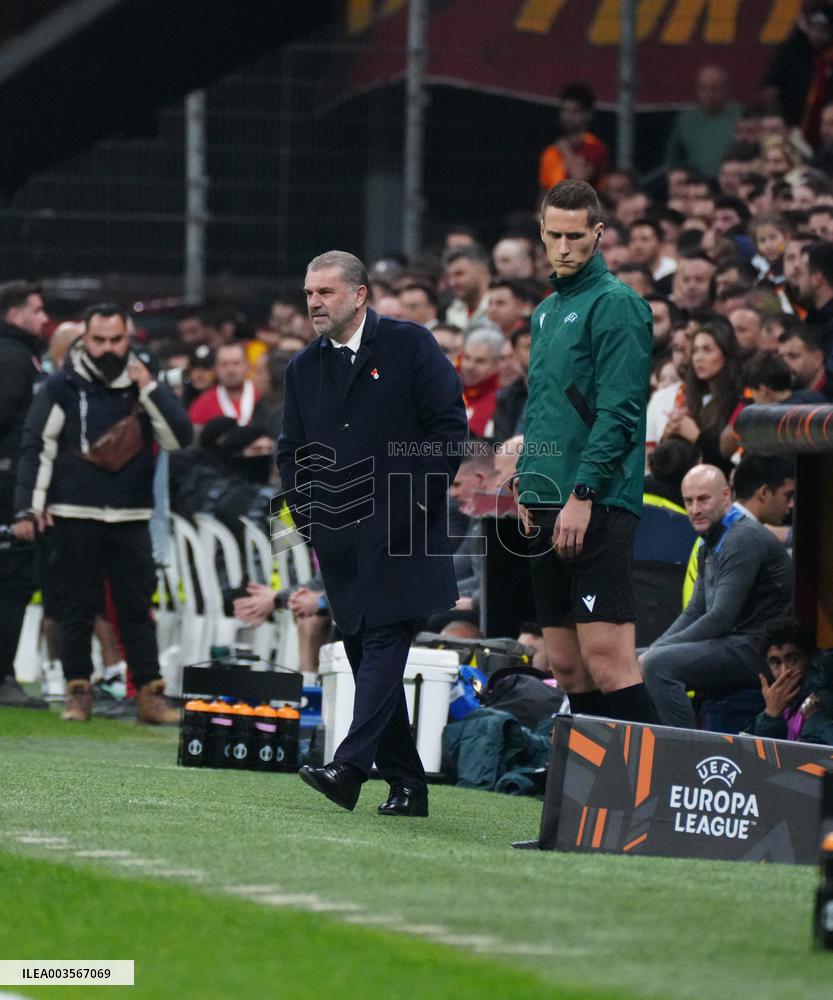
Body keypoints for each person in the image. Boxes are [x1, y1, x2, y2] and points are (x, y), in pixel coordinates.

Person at [279, 251, 467, 816]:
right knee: (368, 659)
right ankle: (409, 786)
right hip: (340, 539)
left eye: (326, 292)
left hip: (404, 532)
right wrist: (309, 519)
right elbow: (292, 452)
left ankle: (350, 767)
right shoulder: (302, 368)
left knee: (383, 643)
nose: (314, 303)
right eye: (309, 293)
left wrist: (416, 499)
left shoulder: (410, 344)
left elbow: (448, 429)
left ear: (360, 294)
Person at [514, 180, 659, 724]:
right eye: (554, 235)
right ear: (541, 232)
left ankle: (659, 774)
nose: (564, 247)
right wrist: (528, 478)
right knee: (569, 667)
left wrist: (582, 493)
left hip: (595, 501)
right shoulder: (546, 311)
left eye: (575, 236)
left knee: (608, 662)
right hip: (547, 498)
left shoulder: (618, 305)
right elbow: (543, 406)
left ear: (598, 234)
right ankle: (595, 779)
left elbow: (620, 412)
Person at [15, 303, 193, 723]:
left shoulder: (143, 381)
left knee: (137, 609)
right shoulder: (61, 386)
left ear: (128, 338)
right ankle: (78, 691)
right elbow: (36, 446)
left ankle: (150, 693)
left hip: (131, 514)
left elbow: (179, 438)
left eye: (116, 339)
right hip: (73, 512)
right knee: (75, 609)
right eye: (99, 340)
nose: (108, 348)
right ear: (85, 339)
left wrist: (149, 388)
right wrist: (28, 509)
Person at [641, 465, 793, 729]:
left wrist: (655, 653)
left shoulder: (743, 537)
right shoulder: (710, 539)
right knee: (635, 659)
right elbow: (694, 611)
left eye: (703, 499)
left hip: (761, 650)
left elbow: (720, 618)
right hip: (734, 643)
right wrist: (654, 647)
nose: (695, 509)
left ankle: (681, 748)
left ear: (726, 496)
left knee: (658, 665)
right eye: (688, 501)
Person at [0, 281, 50, 709]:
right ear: (15, 314)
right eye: (36, 310)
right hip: (9, 486)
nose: (43, 318)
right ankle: (2, 675)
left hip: (11, 481)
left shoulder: (18, 354)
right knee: (13, 581)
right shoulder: (14, 357)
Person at [753, 618, 833, 745]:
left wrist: (817, 718)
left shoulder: (822, 700)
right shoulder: (779, 702)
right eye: (775, 663)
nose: (785, 671)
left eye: (793, 660)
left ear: (810, 659)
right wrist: (770, 716)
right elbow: (764, 753)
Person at [665, 66, 741, 178]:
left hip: (736, 182)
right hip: (698, 184)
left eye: (714, 88)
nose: (709, 94)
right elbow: (672, 160)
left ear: (726, 89)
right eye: (703, 88)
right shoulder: (686, 120)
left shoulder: (741, 116)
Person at [537, 83, 609, 193]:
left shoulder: (594, 146)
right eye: (564, 110)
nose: (568, 116)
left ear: (588, 114)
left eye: (575, 111)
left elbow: (579, 180)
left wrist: (565, 150)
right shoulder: (551, 151)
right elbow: (544, 190)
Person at [187, 341, 260, 430]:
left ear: (247, 365)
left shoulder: (261, 396)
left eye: (236, 363)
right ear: (215, 368)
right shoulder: (202, 405)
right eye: (224, 364)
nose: (230, 370)